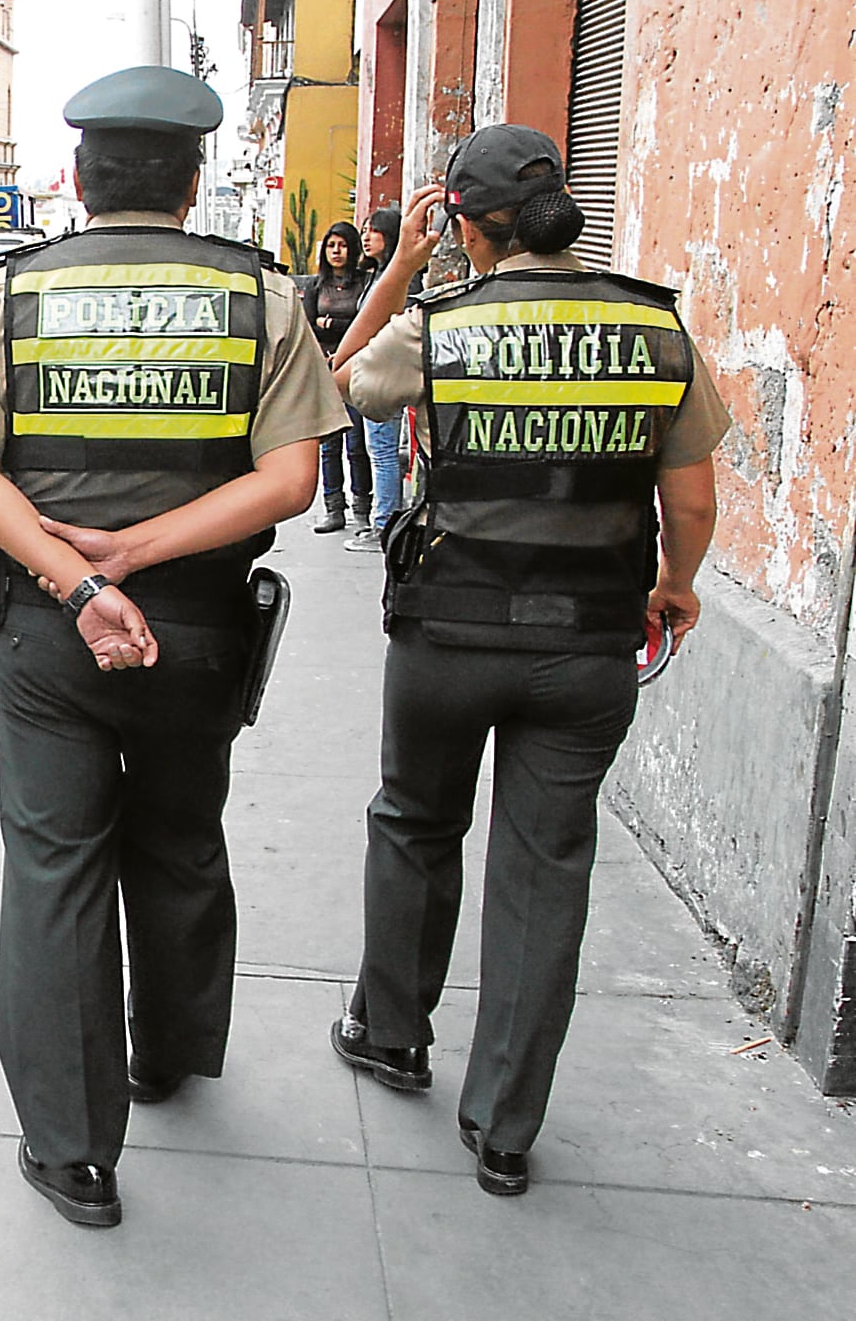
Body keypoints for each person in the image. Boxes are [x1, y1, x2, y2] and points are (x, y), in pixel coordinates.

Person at [0, 66, 344, 1229]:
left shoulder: (13, 294)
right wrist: (144, 553)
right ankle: (168, 1053)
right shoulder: (263, 297)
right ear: (195, 181)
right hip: (198, 628)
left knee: (55, 867)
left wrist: (83, 577)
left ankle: (72, 1150)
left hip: (51, 631)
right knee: (179, 834)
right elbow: (291, 478)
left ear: (80, 179)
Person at [326, 125, 728, 1197]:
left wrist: (403, 267)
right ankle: (504, 1124)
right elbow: (689, 496)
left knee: (415, 823)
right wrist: (675, 583)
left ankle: (394, 1032)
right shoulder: (653, 327)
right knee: (545, 868)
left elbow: (342, 384)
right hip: (589, 642)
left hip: (447, 634)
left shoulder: (441, 324)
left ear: (463, 221)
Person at [351, 207, 417, 549]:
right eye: (363, 229)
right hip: (370, 367)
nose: (366, 237)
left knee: (382, 450)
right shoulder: (377, 276)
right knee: (376, 448)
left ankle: (384, 522)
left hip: (382, 371)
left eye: (373, 230)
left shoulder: (396, 279)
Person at [303, 222, 373, 541]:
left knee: (357, 445)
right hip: (325, 370)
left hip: (357, 369)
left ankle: (362, 508)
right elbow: (307, 326)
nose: (336, 251)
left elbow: (363, 322)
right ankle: (334, 508)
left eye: (342, 245)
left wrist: (332, 322)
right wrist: (327, 334)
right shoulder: (318, 285)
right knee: (329, 445)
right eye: (331, 245)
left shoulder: (364, 284)